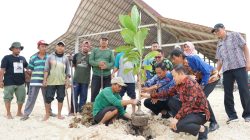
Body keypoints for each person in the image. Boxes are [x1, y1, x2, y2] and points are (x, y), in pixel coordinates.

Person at [146, 64, 210, 140]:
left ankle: (202, 129)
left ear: (180, 74)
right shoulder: (179, 84)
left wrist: (176, 118)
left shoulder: (191, 84)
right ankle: (185, 123)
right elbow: (167, 93)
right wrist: (151, 96)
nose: (173, 79)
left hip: (199, 113)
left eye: (174, 76)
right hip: (190, 111)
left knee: (177, 126)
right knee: (171, 101)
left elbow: (189, 104)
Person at [170, 48, 220, 132]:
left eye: (174, 58)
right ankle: (194, 119)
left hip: (210, 77)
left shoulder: (193, 58)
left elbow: (207, 72)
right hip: (199, 80)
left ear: (180, 56)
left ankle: (214, 122)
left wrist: (201, 87)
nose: (173, 61)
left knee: (203, 97)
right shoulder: (181, 67)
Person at [212, 23, 250, 123]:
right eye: (215, 32)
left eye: (218, 30)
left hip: (240, 66)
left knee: (244, 90)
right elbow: (220, 60)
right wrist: (216, 72)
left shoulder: (235, 35)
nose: (217, 33)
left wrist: (248, 62)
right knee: (227, 93)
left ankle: (248, 115)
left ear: (224, 28)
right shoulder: (219, 44)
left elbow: (245, 47)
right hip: (227, 70)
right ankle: (232, 116)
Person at [21, 40, 55, 121]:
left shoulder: (50, 57)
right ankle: (26, 114)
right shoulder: (33, 57)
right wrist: (34, 76)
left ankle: (49, 112)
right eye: (42, 46)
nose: (44, 48)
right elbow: (29, 69)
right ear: (38, 47)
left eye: (45, 46)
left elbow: (52, 69)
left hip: (46, 81)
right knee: (31, 98)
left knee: (47, 98)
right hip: (35, 81)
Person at [42, 41, 71, 121]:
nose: (60, 47)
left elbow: (68, 71)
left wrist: (67, 81)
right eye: (59, 46)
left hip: (61, 82)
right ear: (56, 47)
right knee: (48, 98)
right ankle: (47, 114)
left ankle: (59, 114)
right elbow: (46, 69)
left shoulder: (65, 58)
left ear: (64, 48)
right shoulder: (50, 57)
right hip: (51, 81)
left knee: (61, 98)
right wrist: (45, 80)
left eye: (62, 46)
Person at [0, 42, 28, 119]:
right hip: (9, 82)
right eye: (16, 48)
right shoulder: (6, 58)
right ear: (12, 49)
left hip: (21, 82)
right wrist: (1, 81)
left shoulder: (23, 58)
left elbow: (28, 68)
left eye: (19, 48)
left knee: (21, 98)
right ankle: (8, 113)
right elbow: (2, 70)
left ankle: (19, 112)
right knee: (7, 98)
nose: (18, 50)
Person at [89, 36, 115, 102]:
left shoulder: (110, 52)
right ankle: (94, 108)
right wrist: (98, 64)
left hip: (107, 76)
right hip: (96, 75)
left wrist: (107, 66)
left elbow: (113, 63)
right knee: (94, 93)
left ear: (107, 42)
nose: (103, 41)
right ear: (99, 41)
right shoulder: (95, 50)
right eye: (102, 40)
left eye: (105, 40)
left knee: (107, 93)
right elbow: (91, 61)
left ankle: (105, 109)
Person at [72, 40, 92, 113]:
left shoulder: (90, 57)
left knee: (83, 97)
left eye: (87, 46)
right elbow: (73, 65)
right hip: (76, 79)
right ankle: (73, 110)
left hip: (85, 80)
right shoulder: (76, 55)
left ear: (89, 48)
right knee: (74, 96)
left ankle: (81, 111)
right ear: (81, 46)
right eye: (84, 46)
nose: (86, 47)